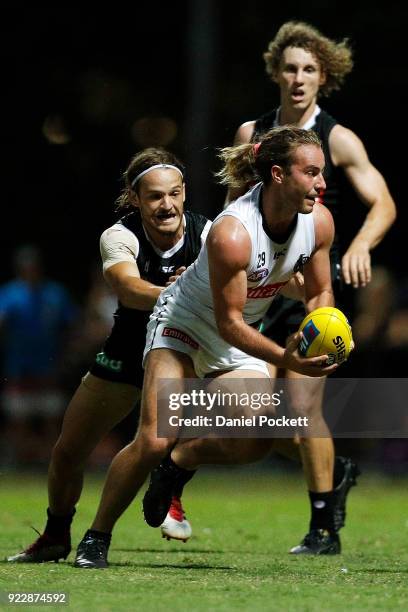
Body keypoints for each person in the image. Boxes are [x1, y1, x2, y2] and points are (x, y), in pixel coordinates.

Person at [73, 126, 339, 569]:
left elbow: (319, 291)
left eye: (321, 172)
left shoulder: (320, 223)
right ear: (277, 174)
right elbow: (228, 323)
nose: (321, 183)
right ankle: (96, 537)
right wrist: (288, 358)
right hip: (182, 324)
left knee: (258, 438)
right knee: (155, 437)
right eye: (311, 172)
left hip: (235, 330)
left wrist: (319, 328)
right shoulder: (234, 232)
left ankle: (180, 461)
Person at [222, 21, 396, 554]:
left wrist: (362, 245)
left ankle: (323, 529)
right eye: (291, 68)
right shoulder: (254, 136)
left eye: (310, 70)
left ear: (324, 78)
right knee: (249, 418)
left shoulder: (338, 137)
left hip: (314, 287)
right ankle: (331, 471)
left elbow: (384, 202)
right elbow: (233, 210)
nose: (299, 79)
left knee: (302, 410)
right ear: (276, 73)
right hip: (258, 287)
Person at [7, 147, 211, 563]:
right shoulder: (120, 235)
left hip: (183, 353)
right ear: (136, 198)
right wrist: (180, 292)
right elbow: (128, 290)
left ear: (185, 193)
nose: (166, 205)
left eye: (174, 194)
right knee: (68, 451)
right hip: (126, 351)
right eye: (155, 196)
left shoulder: (209, 234)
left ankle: (162, 487)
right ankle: (56, 535)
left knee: (164, 437)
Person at [0, 245, 77, 465]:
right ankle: (17, 464)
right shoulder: (9, 293)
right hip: (19, 367)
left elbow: (71, 325)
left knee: (52, 418)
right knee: (18, 419)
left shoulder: (54, 293)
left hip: (48, 366)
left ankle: (53, 463)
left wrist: (66, 355)